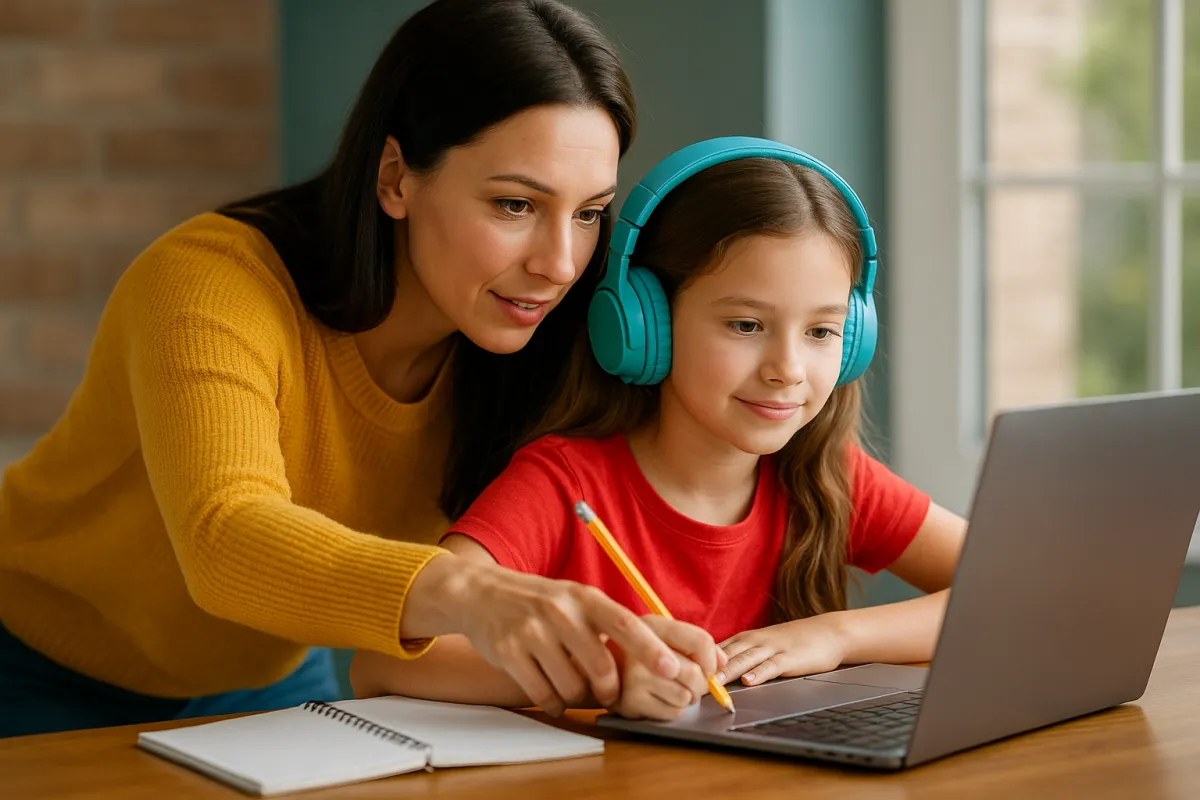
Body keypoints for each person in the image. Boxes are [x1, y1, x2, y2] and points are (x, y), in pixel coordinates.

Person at [0, 0, 722, 738]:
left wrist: (608, 665)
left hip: (269, 676)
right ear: (396, 178)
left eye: (588, 212)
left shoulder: (534, 344)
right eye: (514, 204)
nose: (560, 264)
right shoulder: (206, 283)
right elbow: (226, 538)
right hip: (35, 663)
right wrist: (475, 592)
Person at [349, 139, 968, 721]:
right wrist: (608, 675)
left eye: (821, 332)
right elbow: (383, 659)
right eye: (746, 326)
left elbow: (1010, 590)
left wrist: (836, 636)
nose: (787, 370)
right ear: (646, 325)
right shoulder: (563, 485)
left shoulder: (828, 473)